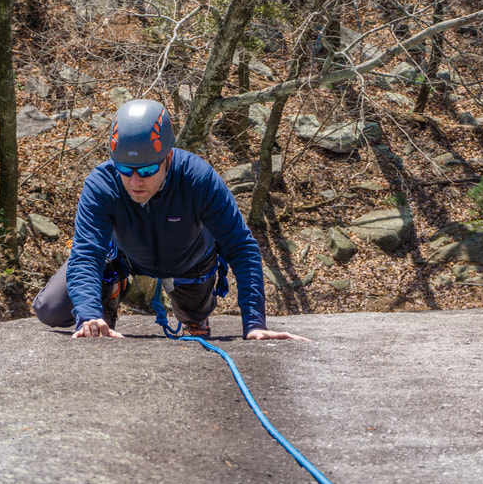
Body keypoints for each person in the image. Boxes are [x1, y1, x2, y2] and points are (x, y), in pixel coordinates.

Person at [32, 98, 308, 342]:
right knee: (51, 308)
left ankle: (195, 313)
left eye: (148, 169)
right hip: (124, 254)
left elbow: (241, 247)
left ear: (168, 157)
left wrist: (254, 323)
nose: (135, 181)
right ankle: (113, 288)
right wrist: (88, 316)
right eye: (125, 169)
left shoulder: (198, 179)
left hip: (189, 260)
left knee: (193, 312)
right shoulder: (101, 185)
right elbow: (86, 253)